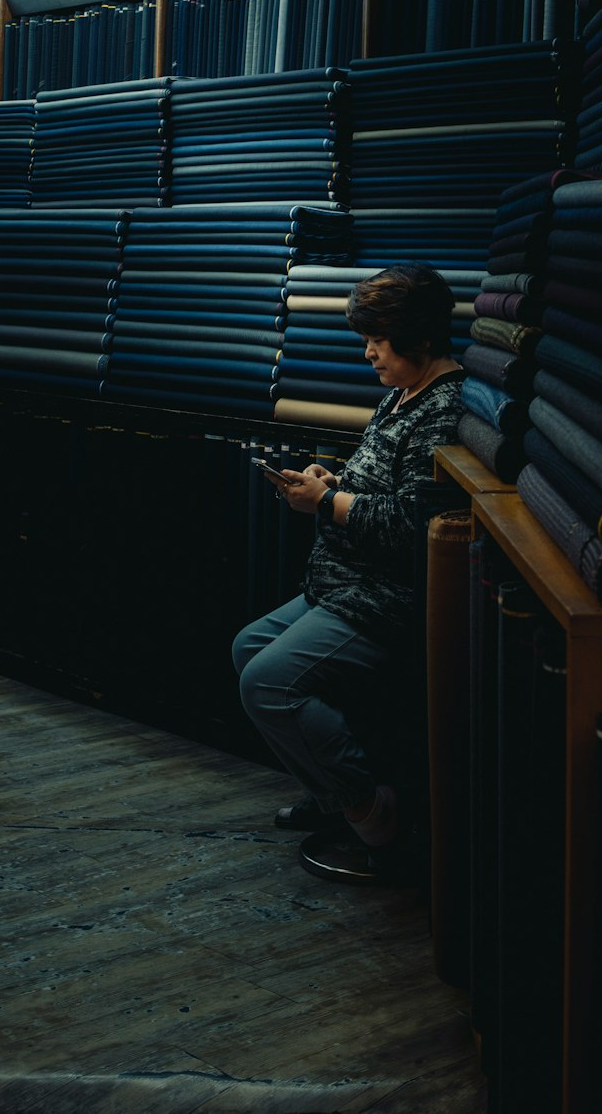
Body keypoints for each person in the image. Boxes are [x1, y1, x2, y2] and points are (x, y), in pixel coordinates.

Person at [231, 262, 466, 861]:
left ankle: (369, 810)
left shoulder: (443, 409)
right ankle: (331, 790)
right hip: (342, 585)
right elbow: (380, 487)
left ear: (418, 337)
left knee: (266, 681)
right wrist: (331, 480)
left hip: (381, 599)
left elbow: (418, 526)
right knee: (247, 649)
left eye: (377, 341)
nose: (368, 353)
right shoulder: (402, 395)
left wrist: (327, 502)